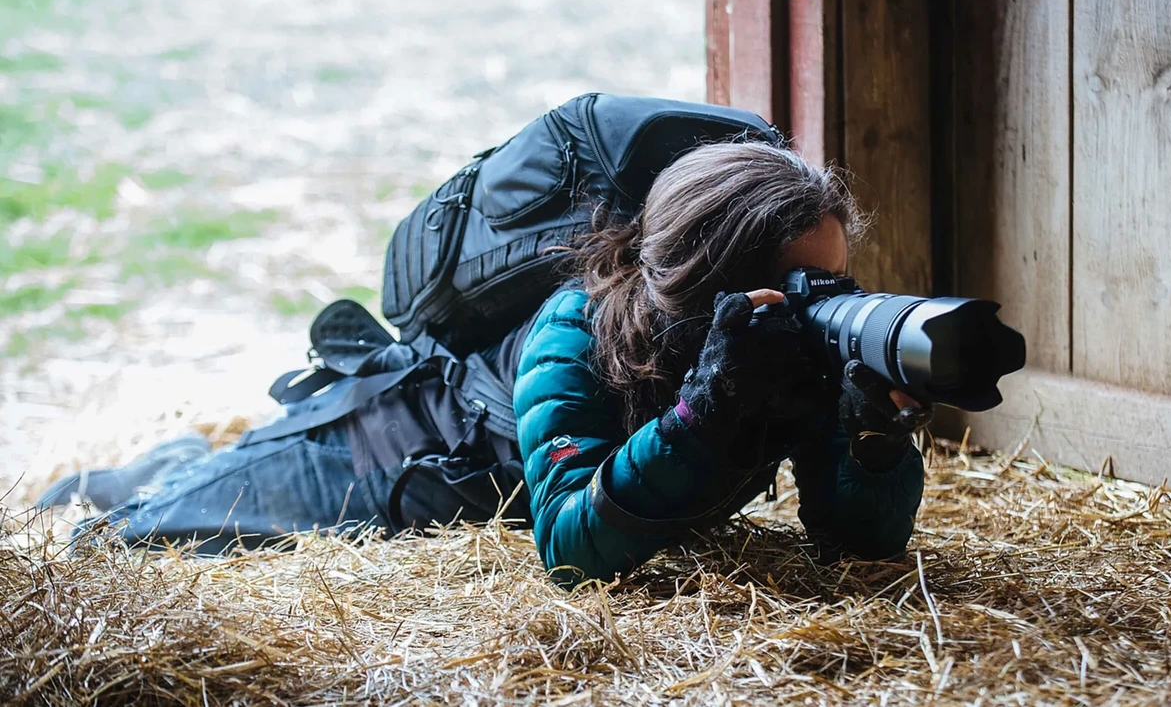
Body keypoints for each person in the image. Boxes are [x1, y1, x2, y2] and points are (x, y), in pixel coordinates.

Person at [43, 140, 929, 585]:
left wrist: (876, 436)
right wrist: (707, 410)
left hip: (481, 473)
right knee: (116, 542)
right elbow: (573, 549)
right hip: (390, 452)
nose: (817, 302)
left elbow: (856, 541)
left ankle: (186, 463)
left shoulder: (783, 347)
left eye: (831, 280)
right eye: (796, 284)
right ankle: (161, 469)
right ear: (707, 286)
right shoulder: (576, 330)